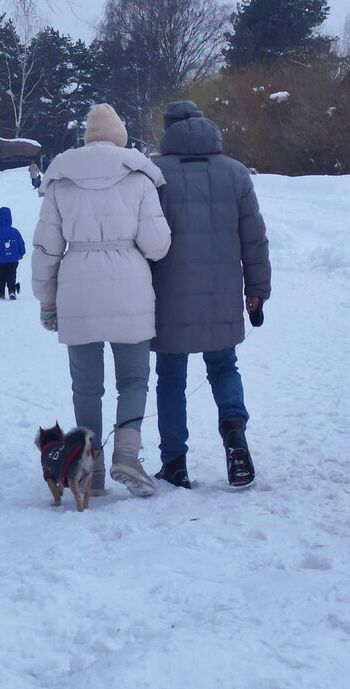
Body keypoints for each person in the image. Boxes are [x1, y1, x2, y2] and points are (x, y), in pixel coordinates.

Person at [32, 103, 171, 497]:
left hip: (76, 290)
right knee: (133, 379)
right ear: (121, 136)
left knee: (87, 388)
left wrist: (47, 301)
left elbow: (45, 249)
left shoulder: (61, 181)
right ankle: (128, 454)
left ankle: (87, 472)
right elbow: (157, 246)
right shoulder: (140, 178)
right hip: (130, 288)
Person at [150, 100, 271, 489]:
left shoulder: (155, 175)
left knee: (171, 377)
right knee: (223, 367)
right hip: (221, 298)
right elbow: (254, 239)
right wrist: (257, 290)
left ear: (168, 131)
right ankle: (235, 435)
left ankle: (175, 464)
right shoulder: (235, 174)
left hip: (169, 296)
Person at [0, 206, 26, 300]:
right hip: (13, 259)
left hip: (0, 260)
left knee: (0, 276)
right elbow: (21, 243)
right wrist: (21, 253)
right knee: (12, 275)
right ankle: (12, 291)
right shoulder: (15, 232)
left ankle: (1, 293)